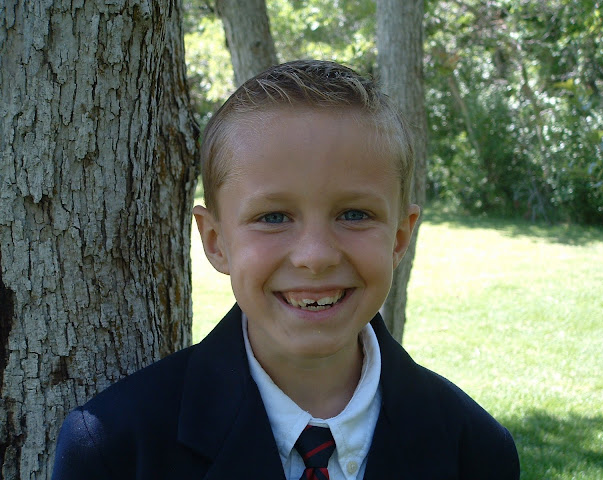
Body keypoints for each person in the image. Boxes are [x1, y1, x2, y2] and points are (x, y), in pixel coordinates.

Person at [52, 60, 519, 479]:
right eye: (273, 217)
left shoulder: (475, 450)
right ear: (215, 242)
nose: (315, 255)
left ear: (399, 237)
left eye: (354, 214)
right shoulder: (116, 449)